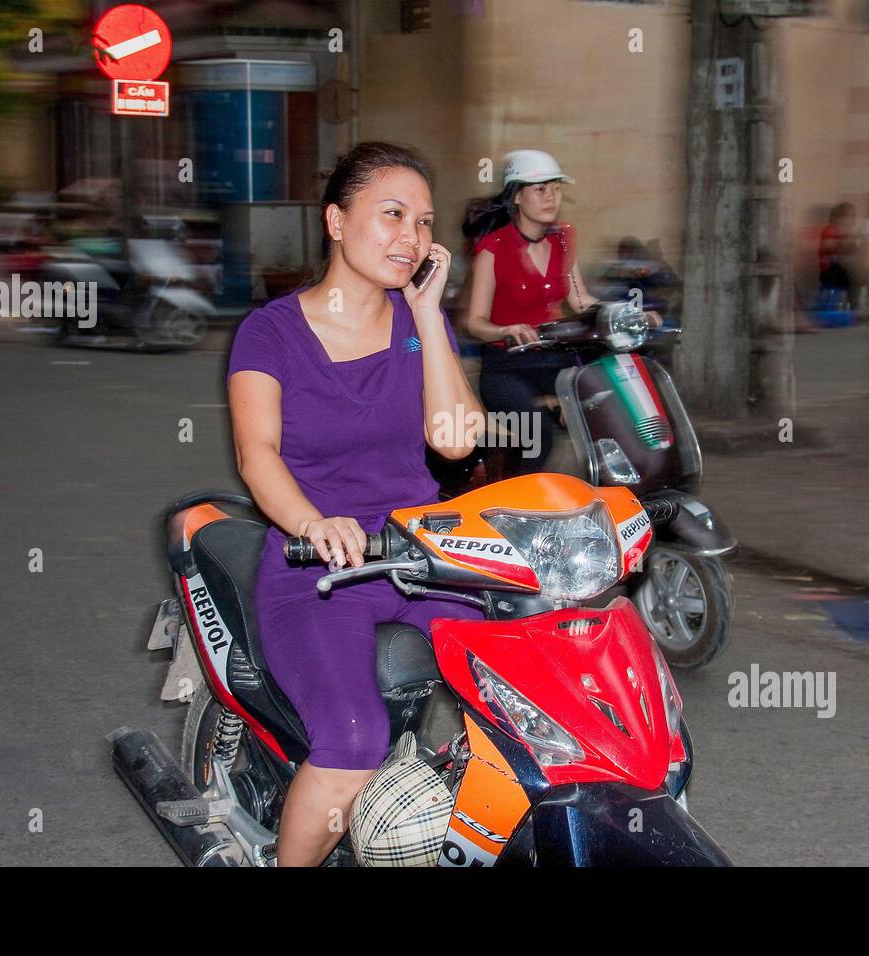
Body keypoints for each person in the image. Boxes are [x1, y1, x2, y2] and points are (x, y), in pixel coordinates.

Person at [226, 142, 486, 867]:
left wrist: (430, 317)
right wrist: (313, 522)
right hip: (318, 568)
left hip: (421, 558)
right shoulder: (270, 332)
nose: (413, 237)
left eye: (425, 222)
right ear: (337, 221)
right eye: (393, 214)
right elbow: (258, 456)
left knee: (517, 693)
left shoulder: (415, 325)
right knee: (352, 741)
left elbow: (457, 441)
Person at [458, 149, 595, 473]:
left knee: (605, 408)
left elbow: (580, 300)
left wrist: (628, 313)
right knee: (537, 435)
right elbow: (475, 322)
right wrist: (503, 331)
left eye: (556, 188)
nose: (551, 197)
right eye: (540, 189)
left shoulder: (563, 240)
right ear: (517, 196)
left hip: (553, 358)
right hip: (507, 365)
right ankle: (520, 510)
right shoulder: (493, 249)